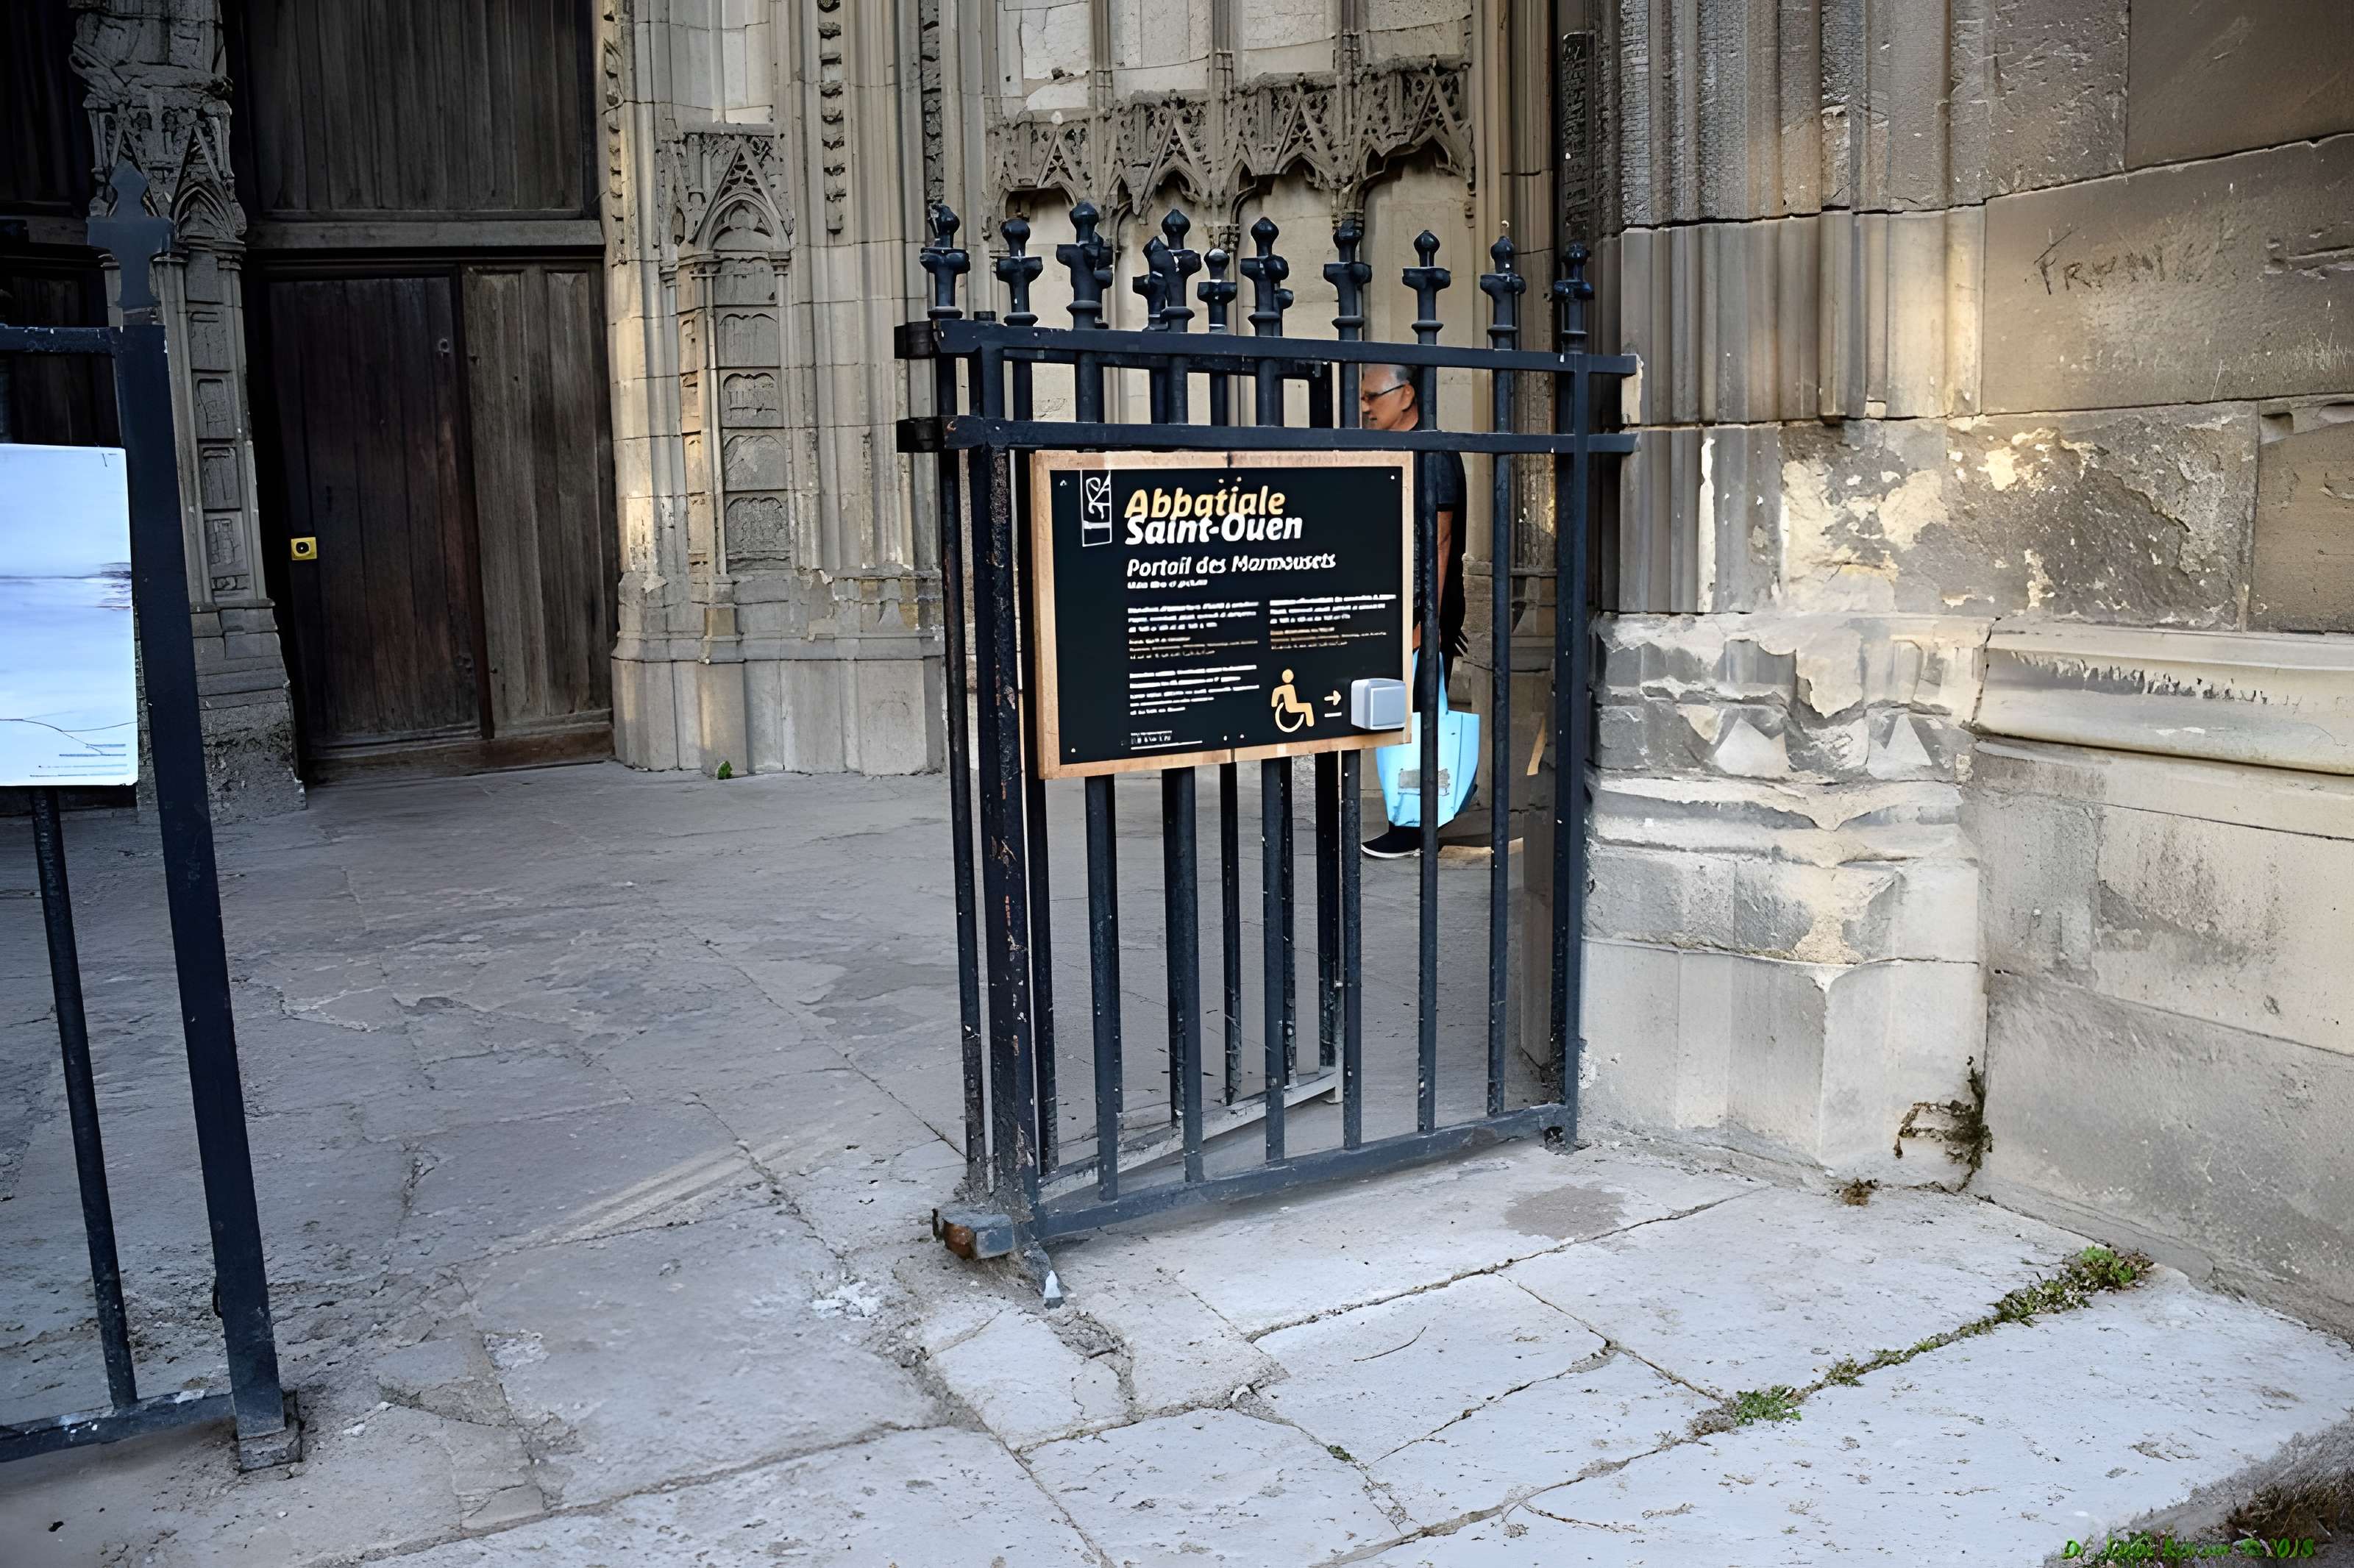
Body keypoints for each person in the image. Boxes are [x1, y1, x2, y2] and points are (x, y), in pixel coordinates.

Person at [1356, 363, 1468, 859]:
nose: (1364, 405)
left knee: (1415, 720)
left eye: (1372, 395)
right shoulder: (1397, 447)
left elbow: (1441, 541)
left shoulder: (1432, 452)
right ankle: (1410, 815)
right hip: (1397, 609)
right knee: (1396, 717)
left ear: (1407, 396)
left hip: (1420, 614)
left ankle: (1415, 824)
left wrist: (1429, 622)